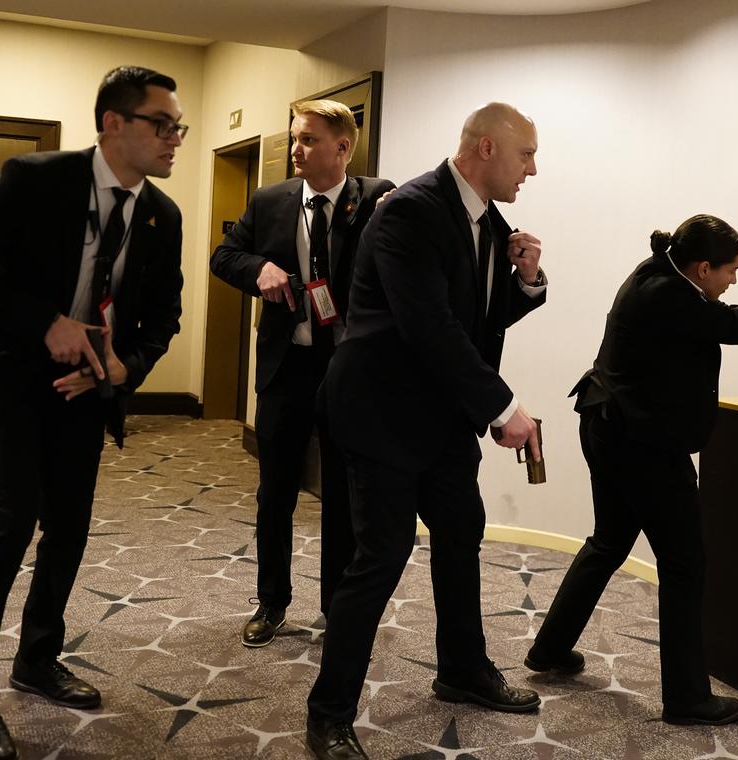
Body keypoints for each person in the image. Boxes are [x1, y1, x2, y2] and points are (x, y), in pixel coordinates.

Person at [0, 66, 186, 760]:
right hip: (6, 376)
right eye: (161, 124)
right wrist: (44, 322)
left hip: (85, 388)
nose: (174, 138)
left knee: (69, 526)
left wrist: (122, 366)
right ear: (113, 124)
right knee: (12, 520)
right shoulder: (34, 179)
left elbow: (163, 315)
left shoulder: (164, 215)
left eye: (179, 127)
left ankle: (38, 656)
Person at [526, 214, 738, 726]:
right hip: (642, 444)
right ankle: (686, 697)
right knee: (684, 566)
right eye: (731, 270)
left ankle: (549, 650)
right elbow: (733, 324)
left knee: (608, 541)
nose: (734, 281)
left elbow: (722, 318)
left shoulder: (659, 274)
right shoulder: (668, 295)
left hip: (612, 427)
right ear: (702, 268)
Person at [306, 102, 548, 760]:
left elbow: (476, 318)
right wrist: (502, 409)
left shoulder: (486, 220)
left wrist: (526, 281)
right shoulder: (410, 210)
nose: (534, 167)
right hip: (380, 414)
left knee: (460, 535)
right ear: (488, 148)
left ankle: (462, 669)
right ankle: (327, 713)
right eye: (526, 153)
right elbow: (428, 326)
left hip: (439, 417)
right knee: (379, 559)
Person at [211, 100, 395, 648]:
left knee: (343, 493)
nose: (296, 148)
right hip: (286, 367)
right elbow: (224, 255)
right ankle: (271, 603)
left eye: (309, 140)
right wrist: (257, 269)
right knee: (277, 493)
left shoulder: (376, 197)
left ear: (342, 148)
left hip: (346, 371)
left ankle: (338, 604)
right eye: (295, 138)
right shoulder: (270, 202)